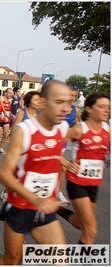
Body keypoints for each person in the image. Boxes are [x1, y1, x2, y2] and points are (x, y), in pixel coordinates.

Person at [0, 80, 72, 265]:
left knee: (60, 262)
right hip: (20, 207)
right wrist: (35, 198)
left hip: (46, 209)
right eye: (59, 102)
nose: (66, 109)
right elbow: (4, 174)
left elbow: (50, 151)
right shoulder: (25, 131)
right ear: (43, 102)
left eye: (69, 103)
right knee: (12, 260)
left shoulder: (63, 128)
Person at [57, 92, 110, 245]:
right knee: (91, 229)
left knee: (81, 223)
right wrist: (67, 164)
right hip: (77, 182)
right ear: (89, 108)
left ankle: (55, 208)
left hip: (94, 184)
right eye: (102, 107)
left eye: (108, 107)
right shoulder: (79, 129)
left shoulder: (107, 129)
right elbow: (52, 145)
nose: (106, 110)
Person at [0, 91, 41, 203]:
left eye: (39, 100)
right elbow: (14, 129)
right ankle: (7, 191)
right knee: (16, 171)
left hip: (33, 148)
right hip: (21, 146)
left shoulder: (40, 114)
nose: (38, 102)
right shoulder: (23, 113)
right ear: (29, 101)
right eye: (36, 100)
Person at [56, 87, 81, 207]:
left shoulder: (75, 110)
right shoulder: (59, 108)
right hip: (52, 142)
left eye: (74, 95)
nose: (72, 97)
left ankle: (58, 193)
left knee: (61, 170)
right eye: (70, 95)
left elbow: (75, 125)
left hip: (64, 143)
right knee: (62, 167)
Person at [0, 88, 13, 154]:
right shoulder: (1, 99)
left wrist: (11, 114)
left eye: (11, 93)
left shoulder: (11, 100)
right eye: (9, 93)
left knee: (6, 134)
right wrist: (0, 115)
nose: (10, 94)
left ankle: (0, 148)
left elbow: (8, 109)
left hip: (6, 119)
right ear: (5, 93)